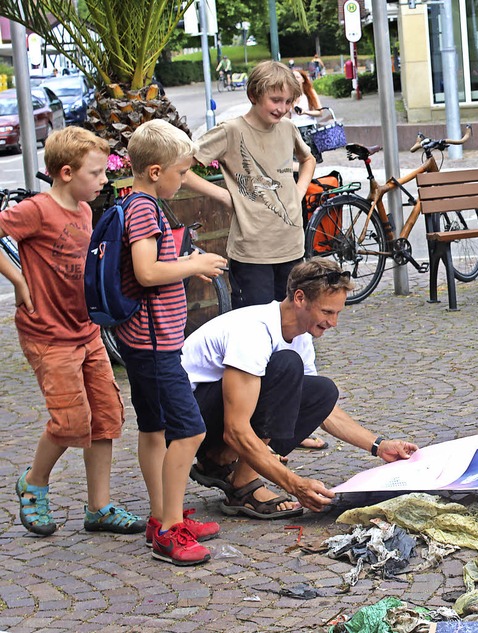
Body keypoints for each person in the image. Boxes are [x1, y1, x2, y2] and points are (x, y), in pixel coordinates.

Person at [182, 258, 419, 519]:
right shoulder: (254, 332)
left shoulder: (301, 335)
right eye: (327, 312)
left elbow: (321, 410)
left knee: (322, 392)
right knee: (287, 366)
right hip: (187, 423)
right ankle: (242, 485)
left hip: (217, 419)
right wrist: (295, 485)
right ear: (299, 298)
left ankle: (220, 461)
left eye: (338, 313)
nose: (334, 322)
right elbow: (235, 430)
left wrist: (379, 445)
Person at [0, 127, 145, 538]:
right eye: (96, 173)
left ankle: (99, 507)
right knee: (69, 422)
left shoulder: (84, 210)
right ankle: (33, 482)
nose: (104, 181)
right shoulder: (36, 210)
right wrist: (19, 280)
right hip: (47, 335)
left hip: (85, 330)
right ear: (66, 172)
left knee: (105, 418)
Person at [116, 119, 227, 566]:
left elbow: (153, 263)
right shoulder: (144, 208)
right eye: (182, 173)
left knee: (153, 429)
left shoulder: (136, 202)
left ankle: (162, 513)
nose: (184, 182)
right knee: (190, 430)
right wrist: (190, 263)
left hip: (142, 341)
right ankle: (168, 531)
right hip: (155, 342)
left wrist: (182, 262)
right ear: (157, 170)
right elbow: (146, 272)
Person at [183, 60, 316, 311]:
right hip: (252, 253)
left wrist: (299, 192)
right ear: (254, 95)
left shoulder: (287, 128)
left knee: (292, 323)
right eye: (276, 100)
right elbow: (181, 167)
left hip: (292, 246)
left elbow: (308, 159)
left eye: (288, 102)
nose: (282, 109)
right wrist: (224, 195)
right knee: (255, 328)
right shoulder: (231, 131)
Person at [291, 68, 324, 165]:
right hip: (294, 129)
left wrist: (305, 112)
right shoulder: (289, 95)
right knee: (295, 161)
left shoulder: (309, 93)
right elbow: (288, 115)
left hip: (308, 129)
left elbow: (320, 112)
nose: (295, 79)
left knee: (310, 160)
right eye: (293, 77)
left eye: (297, 77)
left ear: (303, 79)